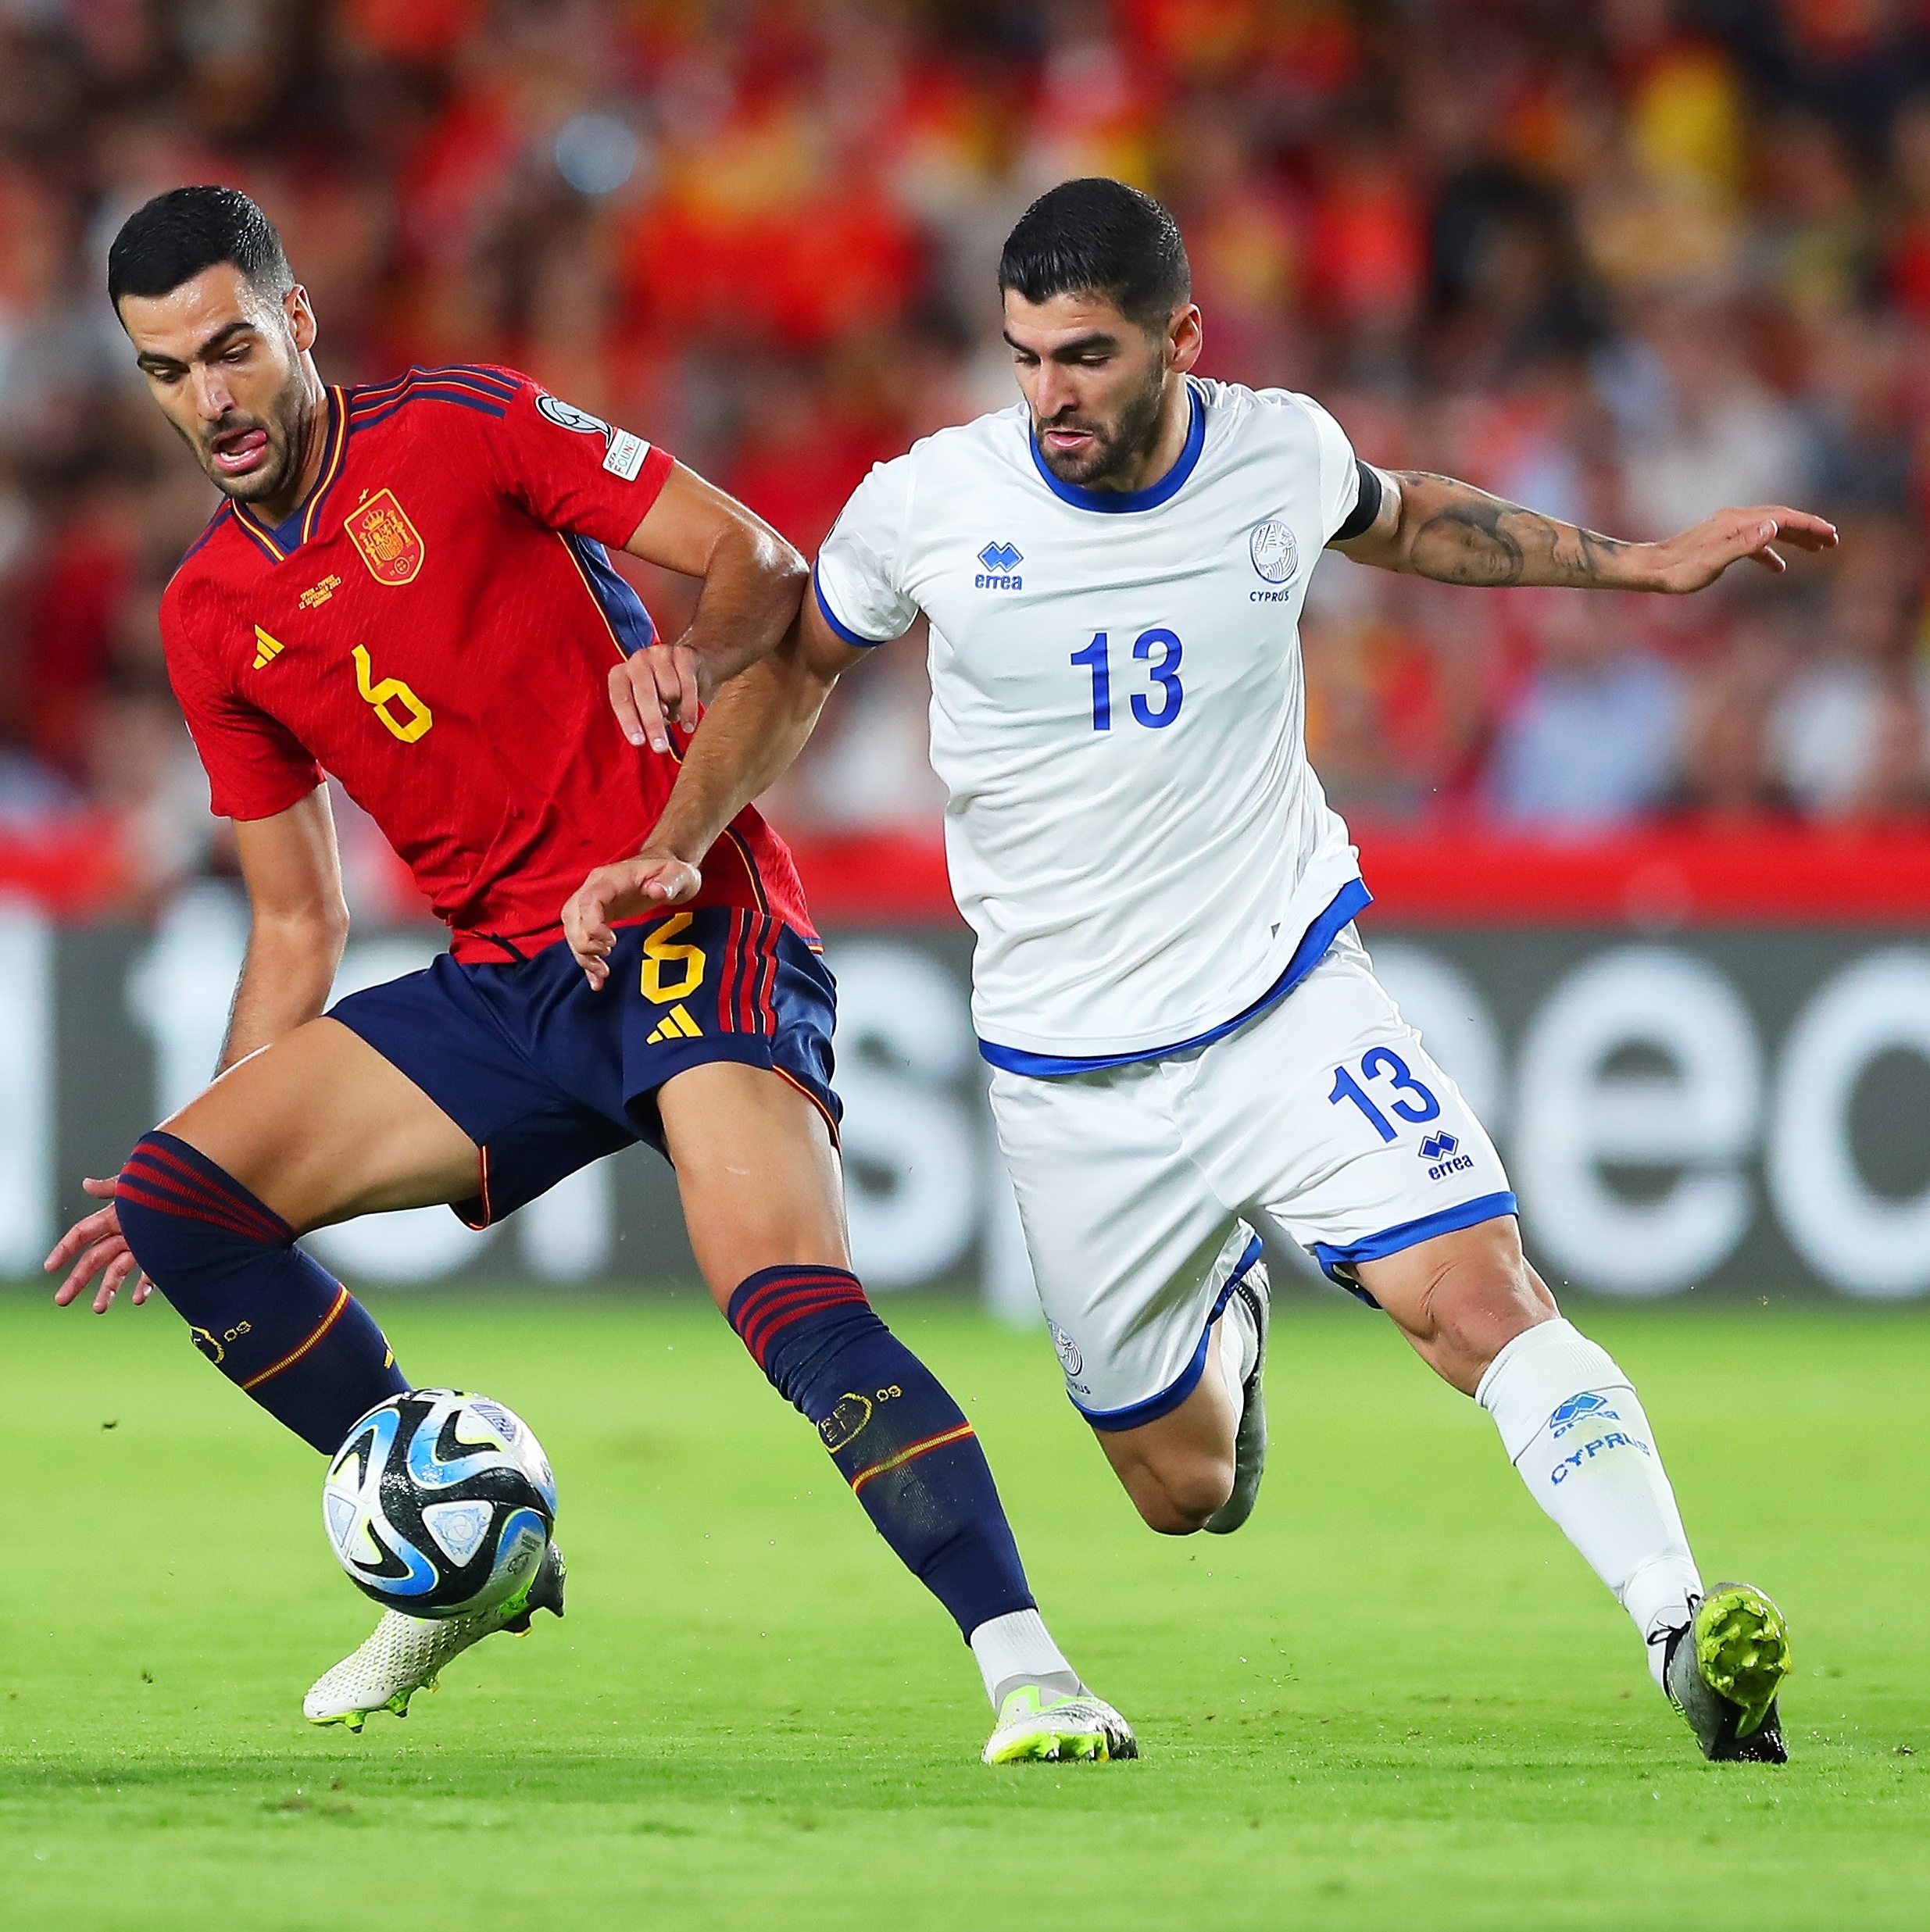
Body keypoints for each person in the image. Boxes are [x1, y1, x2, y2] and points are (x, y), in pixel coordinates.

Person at [565, 178, 1839, 1765]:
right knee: (1179, 1489)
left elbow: (1406, 514)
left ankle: (1676, 1628)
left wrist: (1635, 566)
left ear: (1177, 336)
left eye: (1085, 356)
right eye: (1024, 356)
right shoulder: (933, 502)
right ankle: (1229, 1316)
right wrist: (680, 838)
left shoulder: (1273, 450)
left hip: (1278, 996)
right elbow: (805, 662)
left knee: (1473, 1295)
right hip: (1066, 1066)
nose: (1049, 395)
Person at [41, 186, 1134, 1767]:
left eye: (230, 348)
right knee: (180, 1202)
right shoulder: (212, 614)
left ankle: (1027, 1667)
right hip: (509, 980)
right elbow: (297, 922)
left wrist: (688, 645)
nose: (208, 399)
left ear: (298, 324)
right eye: (165, 371)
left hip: (683, 907)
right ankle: (463, 1541)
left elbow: (759, 560)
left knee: (780, 1292)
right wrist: (209, 1142)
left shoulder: (465, 428)